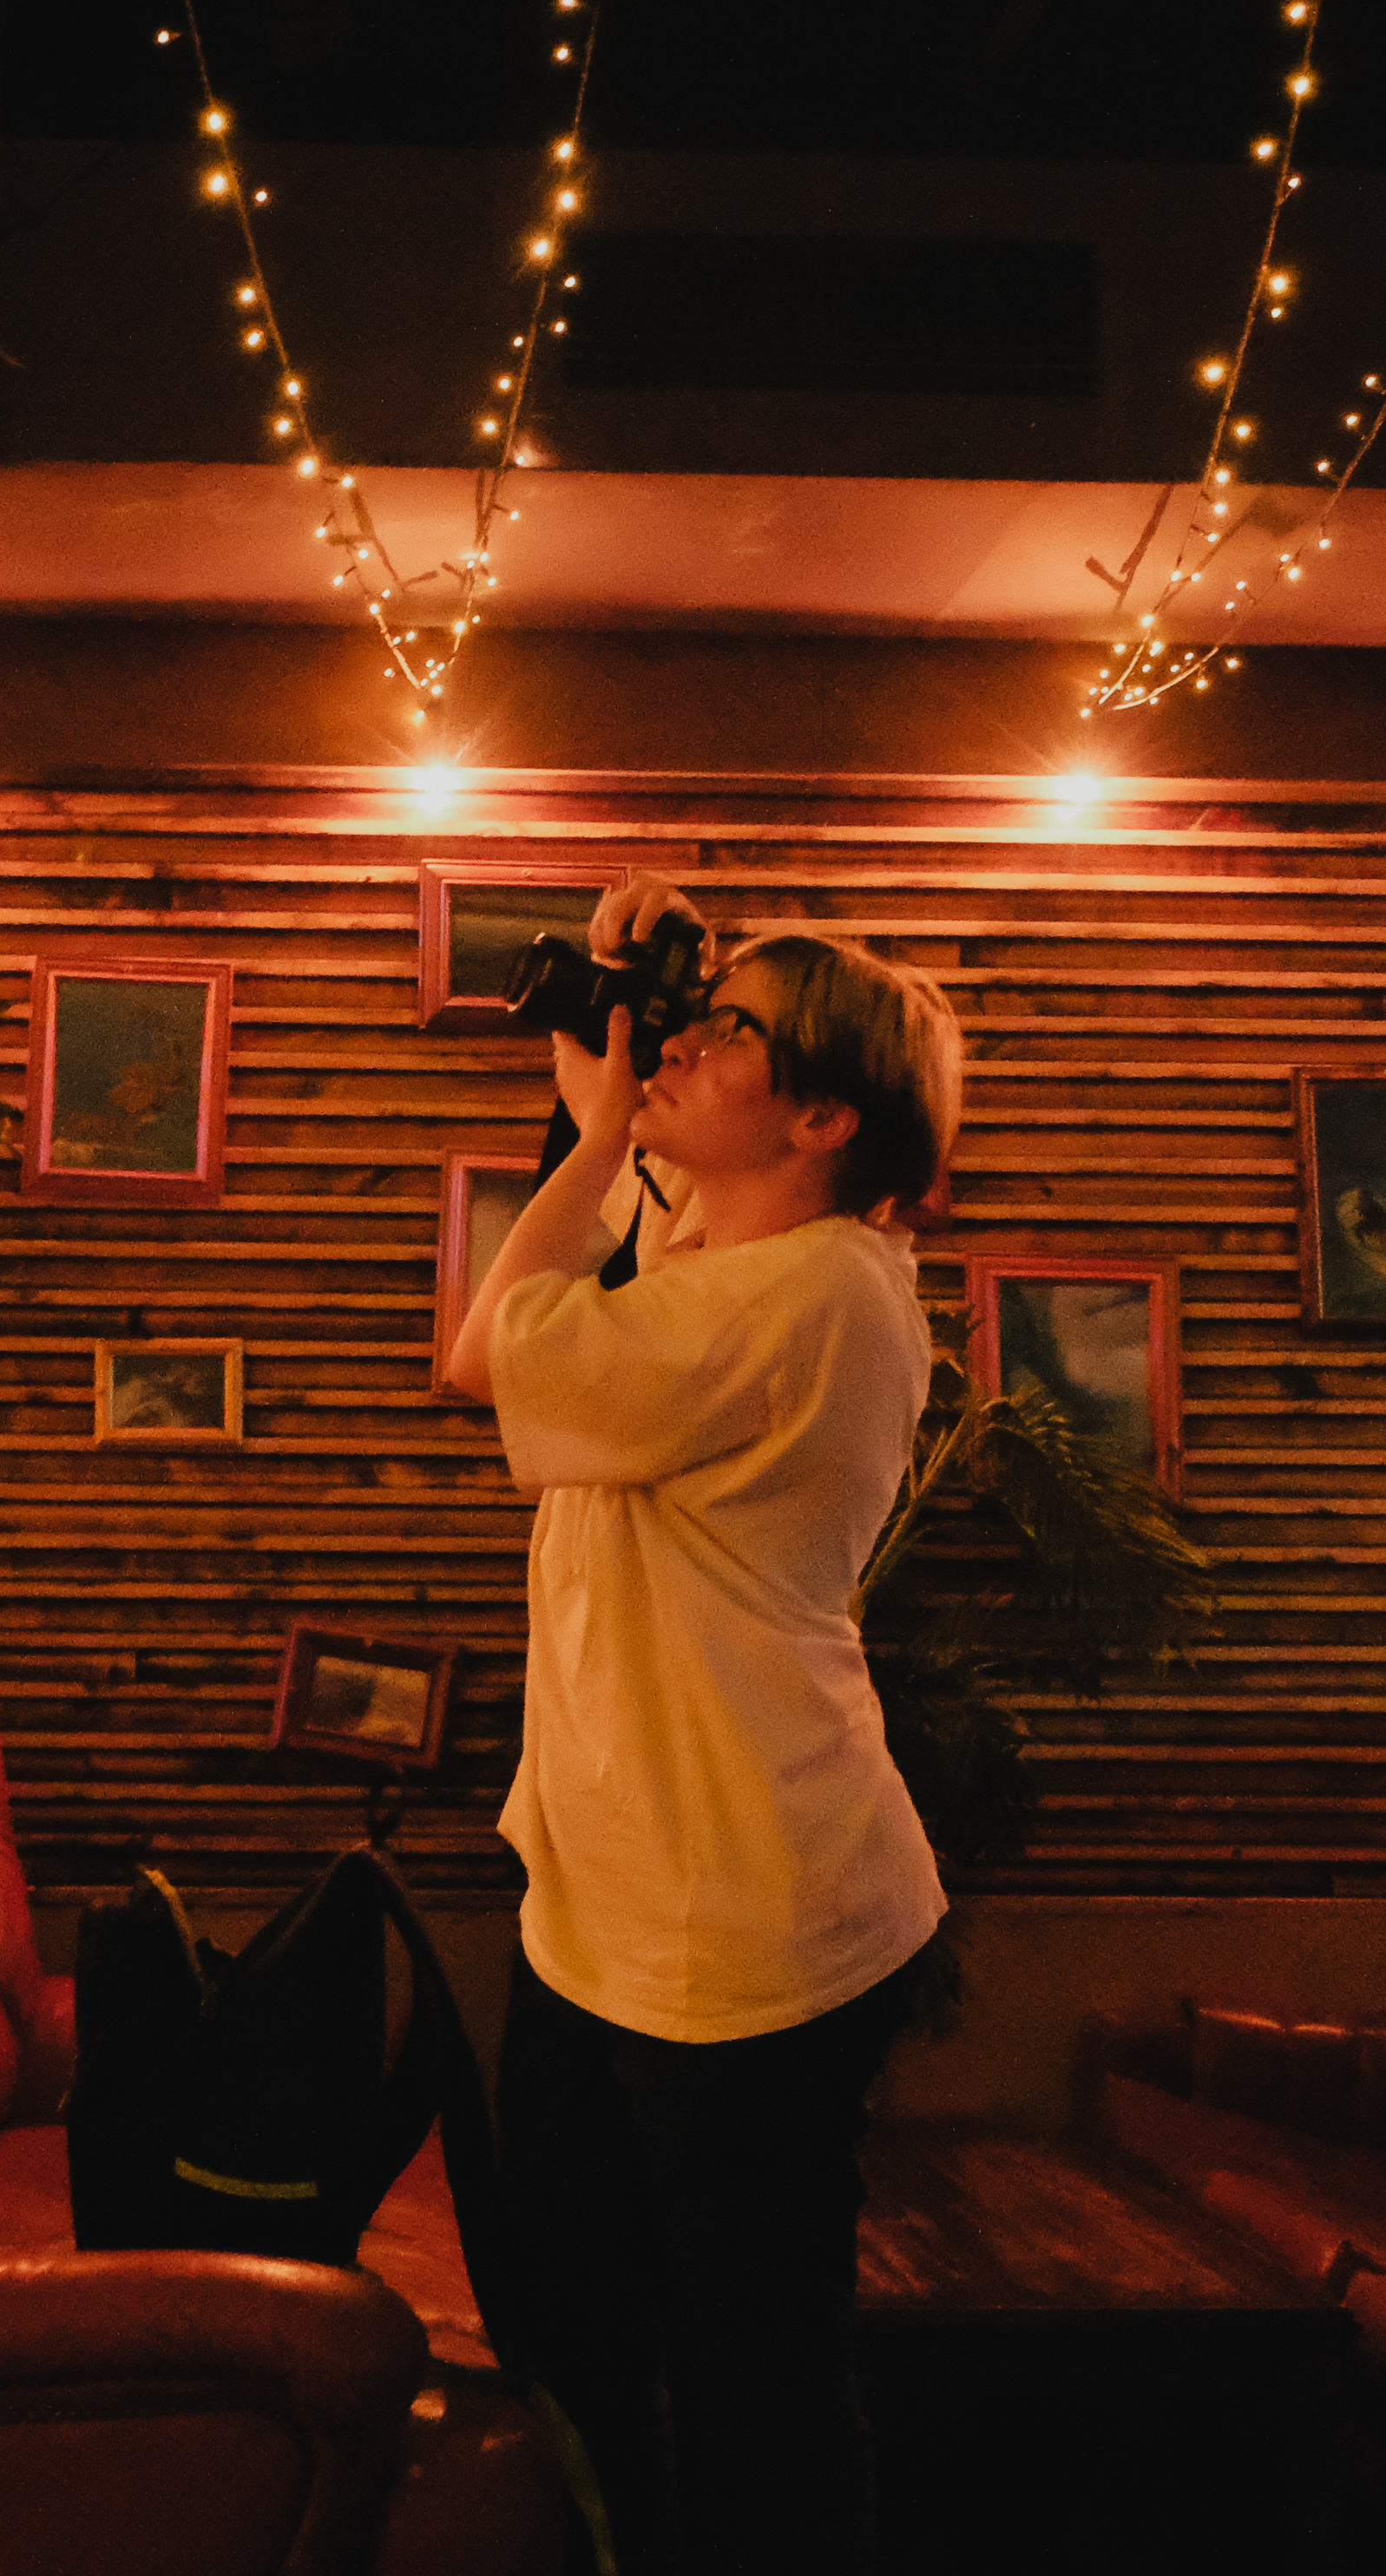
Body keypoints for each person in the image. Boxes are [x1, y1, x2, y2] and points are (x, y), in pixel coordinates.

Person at [437, 870, 964, 2576]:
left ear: (822, 1112)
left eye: (726, 1028)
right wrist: (625, 1048)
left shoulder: (809, 1295)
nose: (681, 1042)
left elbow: (490, 1347)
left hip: (735, 1914)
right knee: (582, 2339)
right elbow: (617, 1230)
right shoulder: (740, 1254)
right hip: (612, 1891)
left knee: (756, 2381)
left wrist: (597, 1142)